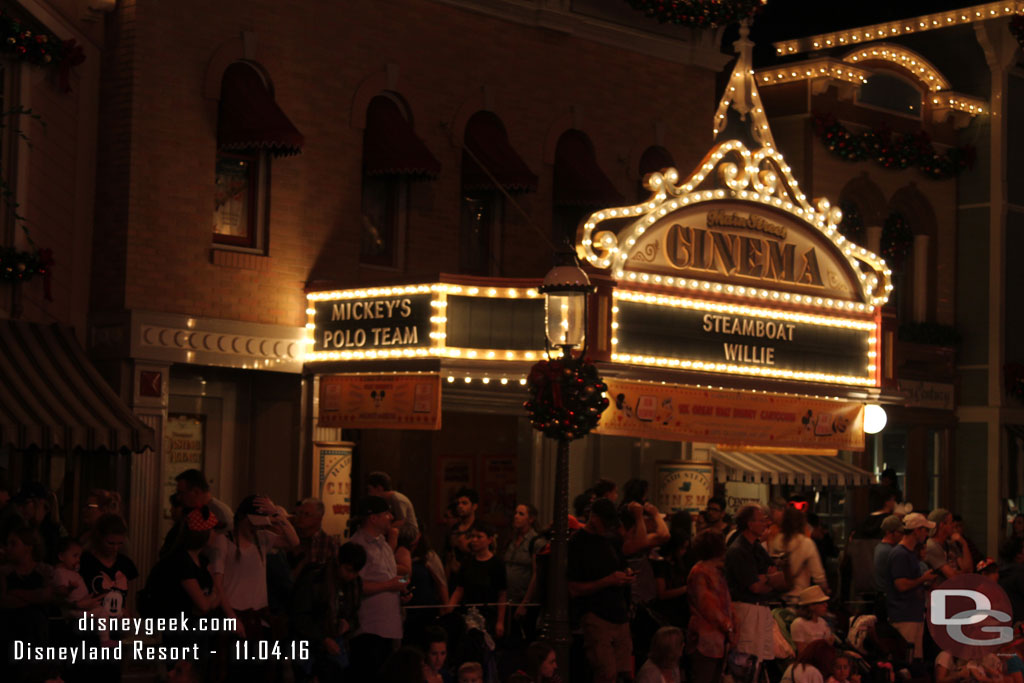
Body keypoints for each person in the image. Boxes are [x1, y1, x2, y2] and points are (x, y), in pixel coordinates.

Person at [209, 494, 298, 681]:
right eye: (252, 522)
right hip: (234, 615)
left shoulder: (263, 539)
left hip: (260, 618)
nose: (256, 527)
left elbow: (293, 542)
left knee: (260, 674)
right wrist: (232, 618)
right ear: (242, 518)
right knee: (236, 673)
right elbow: (218, 584)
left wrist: (277, 515)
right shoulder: (224, 541)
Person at [567, 497, 640, 683]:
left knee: (625, 673)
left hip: (619, 614)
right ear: (594, 517)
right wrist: (608, 581)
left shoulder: (612, 539)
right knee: (606, 672)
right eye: (605, 521)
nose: (607, 526)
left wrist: (627, 575)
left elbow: (622, 566)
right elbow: (573, 588)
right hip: (596, 615)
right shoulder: (577, 543)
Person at [725, 505, 786, 678]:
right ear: (749, 524)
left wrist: (766, 578)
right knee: (745, 660)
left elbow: (776, 576)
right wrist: (768, 579)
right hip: (746, 610)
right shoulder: (738, 550)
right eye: (760, 520)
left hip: (761, 609)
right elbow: (755, 586)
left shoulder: (757, 548)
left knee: (759, 660)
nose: (765, 523)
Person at [348, 496, 406, 679]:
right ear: (373, 518)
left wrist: (403, 588)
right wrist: (391, 585)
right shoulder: (358, 546)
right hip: (369, 628)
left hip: (389, 627)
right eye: (386, 513)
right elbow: (356, 585)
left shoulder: (384, 543)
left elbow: (390, 577)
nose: (390, 517)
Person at [885, 512, 939, 661]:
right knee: (906, 659)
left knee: (915, 659)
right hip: (904, 616)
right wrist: (923, 579)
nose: (927, 534)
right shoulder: (900, 554)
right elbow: (901, 585)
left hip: (913, 614)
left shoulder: (909, 554)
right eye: (925, 530)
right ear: (916, 530)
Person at [686, 530, 734, 683]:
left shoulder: (716, 571)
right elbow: (709, 607)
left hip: (718, 639)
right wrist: (729, 627)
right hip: (705, 638)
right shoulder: (700, 572)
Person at [447, 521, 507, 639]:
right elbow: (460, 589)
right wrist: (449, 609)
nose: (474, 540)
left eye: (479, 537)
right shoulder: (467, 562)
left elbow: (502, 594)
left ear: (489, 540)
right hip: (468, 612)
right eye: (472, 536)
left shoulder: (497, 564)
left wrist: (500, 621)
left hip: (488, 614)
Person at [771, 506, 827, 603]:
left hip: (779, 598)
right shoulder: (806, 543)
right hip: (800, 597)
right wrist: (825, 589)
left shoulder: (775, 541)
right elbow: (818, 576)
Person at [925, 508, 973, 583]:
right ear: (942, 525)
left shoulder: (950, 544)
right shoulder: (932, 546)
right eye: (951, 522)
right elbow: (952, 576)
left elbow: (969, 569)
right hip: (941, 591)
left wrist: (964, 544)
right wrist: (962, 572)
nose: (954, 525)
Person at [789, 585, 835, 653]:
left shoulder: (822, 622)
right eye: (822, 603)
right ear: (812, 606)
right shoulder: (799, 623)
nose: (826, 605)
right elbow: (801, 651)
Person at [447, 488, 479, 580]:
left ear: (474, 506)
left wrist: (465, 548)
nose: (460, 506)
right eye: (458, 503)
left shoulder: (480, 528)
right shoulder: (454, 529)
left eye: (464, 503)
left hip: (474, 577)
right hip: (455, 578)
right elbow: (448, 557)